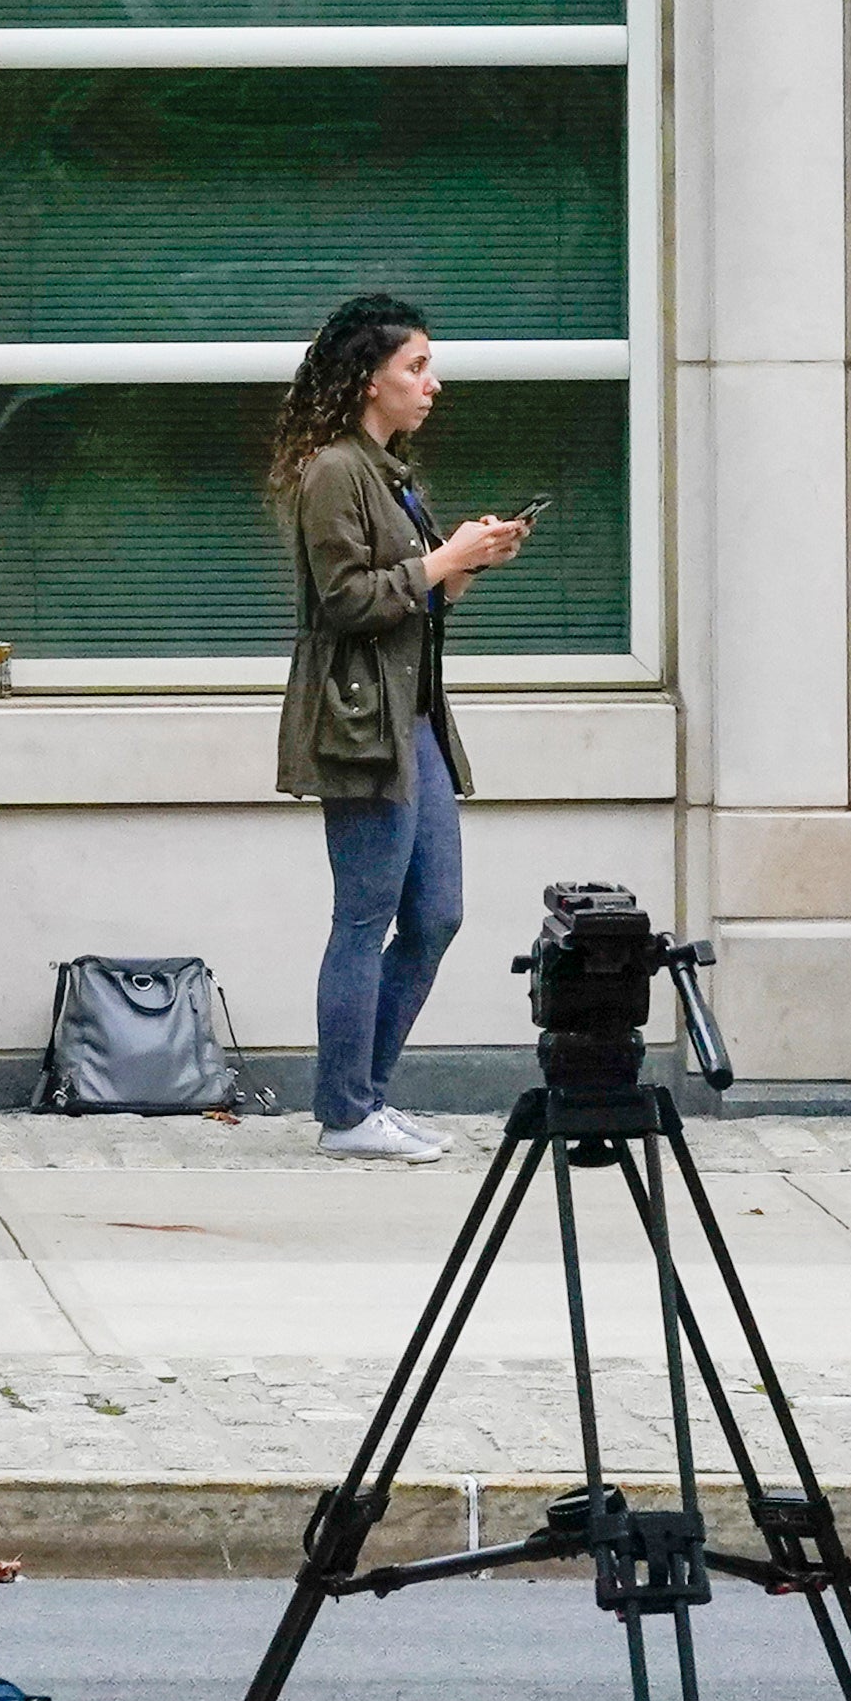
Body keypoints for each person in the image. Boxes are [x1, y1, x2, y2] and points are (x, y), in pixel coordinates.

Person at [271, 291, 532, 1163]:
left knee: (437, 912)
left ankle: (364, 1098)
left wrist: (468, 563)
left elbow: (412, 592)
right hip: (360, 721)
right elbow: (346, 601)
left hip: (410, 715)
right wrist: (444, 558)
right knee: (365, 914)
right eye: (416, 366)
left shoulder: (393, 472)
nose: (434, 383)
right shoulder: (334, 470)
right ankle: (347, 1111)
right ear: (367, 378)